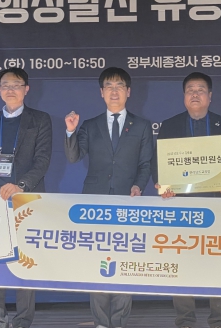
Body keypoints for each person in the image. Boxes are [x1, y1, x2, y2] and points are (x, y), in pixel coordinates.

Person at [64, 67, 153, 328]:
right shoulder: (90, 125)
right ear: (101, 93)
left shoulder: (142, 125)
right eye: (109, 87)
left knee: (124, 262)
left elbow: (145, 164)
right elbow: (73, 157)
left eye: (119, 86)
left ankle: (120, 321)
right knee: (98, 262)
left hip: (128, 201)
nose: (114, 91)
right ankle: (101, 322)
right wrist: (70, 131)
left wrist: (138, 186)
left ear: (129, 91)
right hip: (95, 202)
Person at [155, 72, 221, 328]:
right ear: (184, 96)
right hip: (181, 204)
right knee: (181, 262)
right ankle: (185, 320)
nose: (195, 94)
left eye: (201, 90)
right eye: (190, 90)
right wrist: (163, 185)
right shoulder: (169, 126)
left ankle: (219, 319)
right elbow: (159, 163)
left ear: (210, 96)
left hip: (218, 202)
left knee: (220, 262)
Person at [0, 67, 53, 328]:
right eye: (5, 85)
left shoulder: (40, 119)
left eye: (16, 84)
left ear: (26, 89)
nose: (11, 89)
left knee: (25, 260)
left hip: (25, 198)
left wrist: (20, 185)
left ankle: (23, 320)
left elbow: (42, 161)